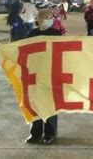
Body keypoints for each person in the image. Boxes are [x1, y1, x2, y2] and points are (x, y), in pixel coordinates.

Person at [25, 9, 62, 145]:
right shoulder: (32, 34)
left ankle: (50, 133)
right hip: (35, 73)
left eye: (51, 17)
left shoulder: (55, 34)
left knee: (50, 104)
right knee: (35, 104)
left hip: (51, 74)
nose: (50, 19)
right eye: (47, 17)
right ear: (39, 19)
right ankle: (35, 133)